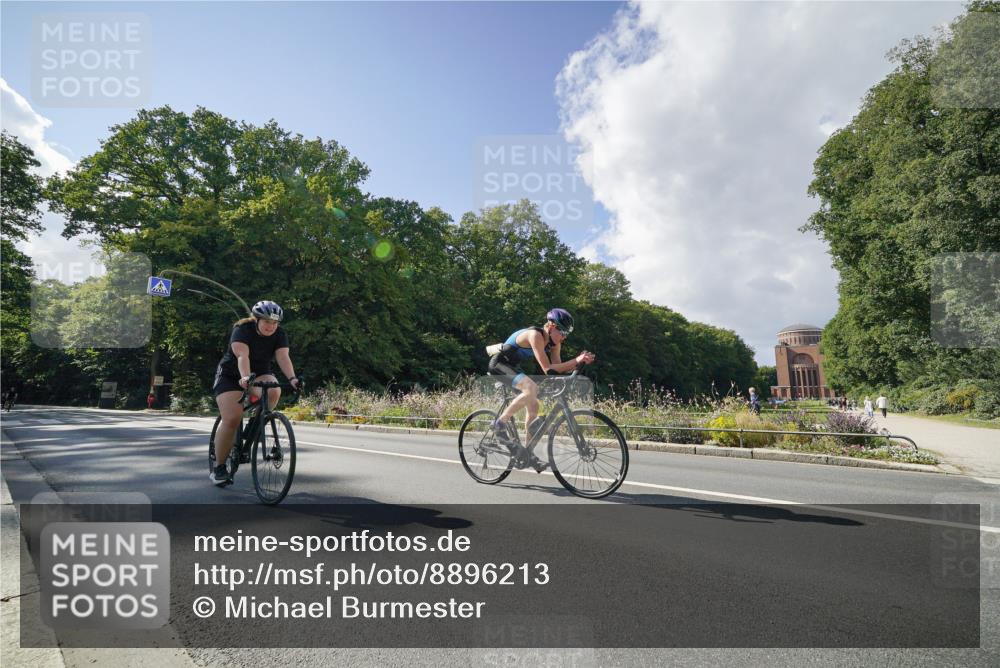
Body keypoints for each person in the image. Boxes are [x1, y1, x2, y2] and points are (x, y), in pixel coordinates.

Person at [487, 308, 594, 472]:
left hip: (513, 367)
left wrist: (578, 364)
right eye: (562, 332)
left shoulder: (555, 344)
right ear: (551, 326)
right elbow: (548, 369)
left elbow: (557, 369)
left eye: (567, 334)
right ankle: (499, 424)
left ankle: (527, 454)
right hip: (499, 365)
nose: (564, 337)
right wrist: (575, 360)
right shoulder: (535, 335)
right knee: (531, 388)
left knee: (535, 405)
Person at [210, 300, 300, 485]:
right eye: (267, 321)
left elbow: (283, 357)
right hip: (231, 375)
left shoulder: (279, 334)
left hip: (259, 373)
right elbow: (242, 356)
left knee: (274, 390)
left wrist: (293, 379)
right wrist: (244, 377)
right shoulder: (242, 329)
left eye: (275, 323)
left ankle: (256, 424)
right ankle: (219, 467)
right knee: (232, 418)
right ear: (256, 319)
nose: (271, 326)